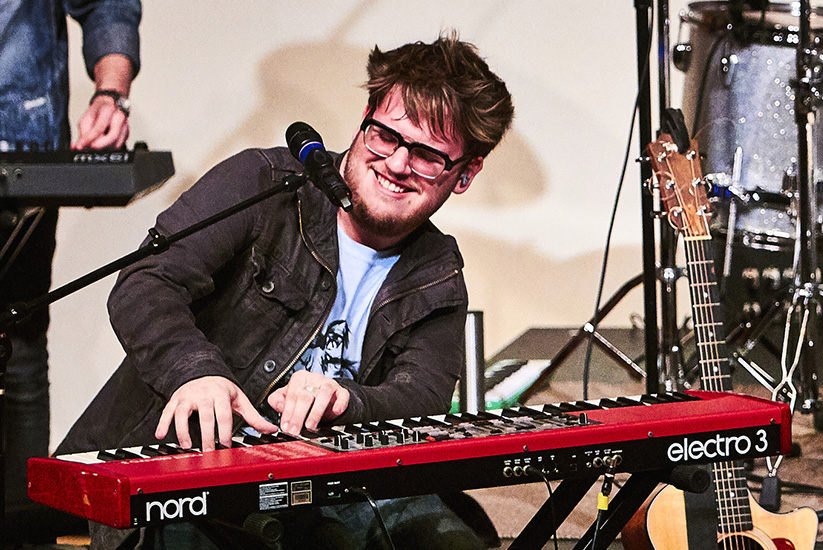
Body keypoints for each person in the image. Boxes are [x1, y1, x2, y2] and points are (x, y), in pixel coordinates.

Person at [55, 34, 513, 550]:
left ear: (466, 174)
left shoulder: (437, 271)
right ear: (365, 116)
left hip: (326, 488)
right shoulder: (266, 183)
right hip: (178, 470)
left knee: (450, 540)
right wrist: (197, 371)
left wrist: (347, 399)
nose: (398, 164)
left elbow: (421, 394)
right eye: (386, 136)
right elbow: (146, 283)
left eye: (429, 155)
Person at [0, 0, 140, 544]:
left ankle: (24, 530)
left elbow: (109, 4)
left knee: (20, 348)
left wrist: (111, 93)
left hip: (22, 140)